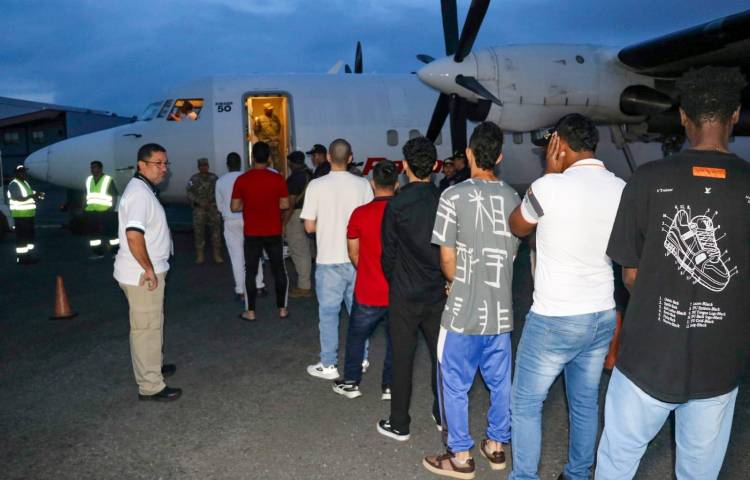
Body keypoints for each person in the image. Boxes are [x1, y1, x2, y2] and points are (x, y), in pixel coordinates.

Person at [595, 67, 749, 480]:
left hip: (647, 359)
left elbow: (629, 274)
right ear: (734, 115)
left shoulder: (646, 180)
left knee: (617, 463)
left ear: (683, 116)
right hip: (718, 365)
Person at [506, 114, 625, 480]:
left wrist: (548, 175)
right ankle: (577, 474)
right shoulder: (620, 186)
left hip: (555, 318)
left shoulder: (550, 187)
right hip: (601, 312)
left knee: (525, 402)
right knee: (585, 402)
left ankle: (524, 476)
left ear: (558, 144)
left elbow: (517, 225)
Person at [423, 122, 521, 478]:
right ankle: (496, 446)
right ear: (499, 156)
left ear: (468, 154)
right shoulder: (514, 197)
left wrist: (456, 281)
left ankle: (461, 456)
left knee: (454, 382)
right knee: (500, 382)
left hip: (463, 310)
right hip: (500, 310)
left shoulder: (452, 196)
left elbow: (447, 260)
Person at [377, 136, 445, 441]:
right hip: (438, 290)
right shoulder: (445, 199)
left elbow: (388, 253)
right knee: (441, 356)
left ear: (405, 167)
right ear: (434, 166)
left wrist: (396, 280)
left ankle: (399, 423)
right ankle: (442, 414)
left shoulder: (397, 204)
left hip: (405, 291)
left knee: (402, 356)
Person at [301, 138, 373, 379]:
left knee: (328, 315)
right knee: (358, 313)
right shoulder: (363, 184)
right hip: (356, 259)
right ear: (350, 158)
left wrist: (328, 223)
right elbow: (369, 222)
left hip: (327, 259)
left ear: (329, 158)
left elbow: (309, 227)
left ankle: (329, 364)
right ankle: (361, 358)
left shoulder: (316, 185)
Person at [114, 143, 181, 402]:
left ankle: (153, 365)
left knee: (154, 323)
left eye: (166, 163)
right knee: (145, 329)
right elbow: (133, 235)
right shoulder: (139, 194)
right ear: (141, 165)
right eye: (158, 163)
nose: (164, 168)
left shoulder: (144, 190)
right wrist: (149, 269)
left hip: (148, 271)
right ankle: (150, 386)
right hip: (141, 275)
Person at [332, 160, 399, 400]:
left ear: (373, 184)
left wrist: (369, 268)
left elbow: (353, 252)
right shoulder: (403, 213)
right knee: (396, 339)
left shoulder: (360, 214)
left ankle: (351, 381)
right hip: (397, 290)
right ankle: (390, 385)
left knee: (356, 335)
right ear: (397, 184)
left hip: (368, 289)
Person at [231, 142, 290, 321]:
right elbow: (285, 204)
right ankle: (282, 309)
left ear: (252, 158)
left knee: (250, 271)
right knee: (279, 269)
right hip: (273, 231)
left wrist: (246, 203)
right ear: (269, 159)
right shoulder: (278, 178)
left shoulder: (242, 179)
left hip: (252, 232)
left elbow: (234, 207)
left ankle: (250, 311)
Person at [215, 152, 266, 301]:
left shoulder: (220, 181)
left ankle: (241, 290)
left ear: (227, 164)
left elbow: (219, 206)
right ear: (240, 163)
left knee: (237, 256)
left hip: (231, 222)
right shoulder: (249, 177)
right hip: (250, 220)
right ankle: (259, 286)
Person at [283, 151, 313, 298]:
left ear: (291, 163)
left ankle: (304, 286)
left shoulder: (294, 178)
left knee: (298, 250)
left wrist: (284, 222)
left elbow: (291, 203)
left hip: (296, 215)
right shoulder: (309, 174)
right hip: (308, 214)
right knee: (305, 249)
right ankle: (305, 282)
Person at [186, 158, 223, 265]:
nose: (204, 167)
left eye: (206, 165)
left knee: (216, 232)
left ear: (208, 166)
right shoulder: (193, 179)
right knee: (199, 232)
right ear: (198, 167)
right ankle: (200, 255)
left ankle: (217, 254)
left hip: (213, 208)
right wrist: (199, 202)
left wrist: (215, 203)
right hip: (200, 210)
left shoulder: (214, 178)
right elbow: (189, 192)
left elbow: (220, 191)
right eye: (202, 165)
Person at [7, 165, 43, 264]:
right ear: (16, 173)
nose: (24, 174)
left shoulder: (25, 183)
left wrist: (37, 195)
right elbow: (18, 198)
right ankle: (22, 259)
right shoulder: (14, 184)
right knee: (22, 239)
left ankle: (28, 257)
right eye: (21, 172)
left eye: (24, 172)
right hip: (20, 216)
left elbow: (29, 194)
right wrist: (32, 195)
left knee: (28, 237)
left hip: (28, 215)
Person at [84, 160, 119, 258]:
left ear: (100, 168)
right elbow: (87, 194)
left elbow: (114, 195)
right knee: (94, 235)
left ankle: (115, 252)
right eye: (91, 167)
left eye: (94, 167)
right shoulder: (89, 180)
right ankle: (98, 253)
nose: (92, 169)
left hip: (106, 211)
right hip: (92, 211)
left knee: (111, 233)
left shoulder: (107, 179)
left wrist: (112, 209)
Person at [254, 103, 282, 171]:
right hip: (265, 144)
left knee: (277, 162)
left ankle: (276, 175)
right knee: (265, 162)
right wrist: (262, 139)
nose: (271, 111)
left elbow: (279, 128)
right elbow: (256, 131)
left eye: (272, 109)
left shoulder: (275, 118)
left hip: (275, 144)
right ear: (265, 110)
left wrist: (275, 137)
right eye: (269, 109)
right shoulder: (260, 119)